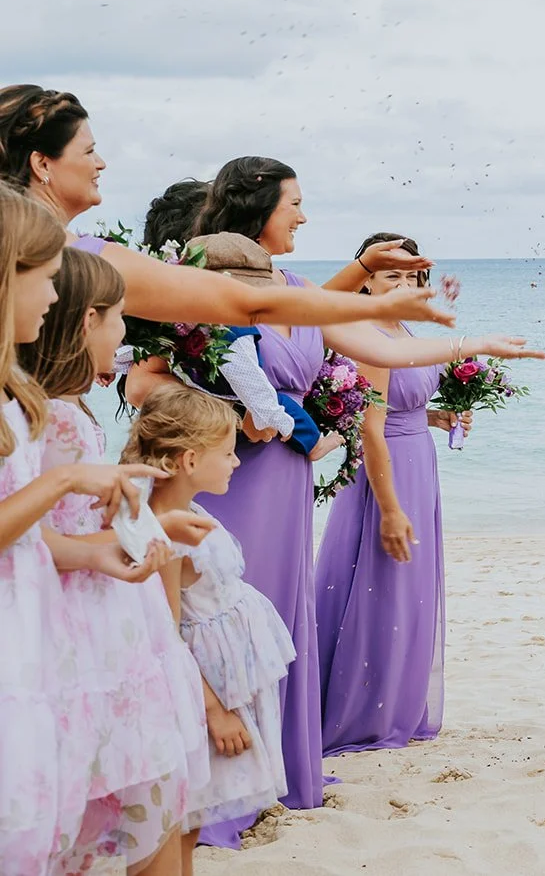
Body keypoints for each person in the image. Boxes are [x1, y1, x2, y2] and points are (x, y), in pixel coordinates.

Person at [126, 157, 544, 848]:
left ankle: (279, 770)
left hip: (285, 479)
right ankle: (216, 779)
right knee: (220, 615)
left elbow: (369, 338)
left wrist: (476, 343)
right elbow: (145, 385)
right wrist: (227, 411)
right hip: (232, 477)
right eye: (295, 203)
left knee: (279, 615)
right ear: (259, 209)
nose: (303, 215)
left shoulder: (292, 287)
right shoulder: (201, 286)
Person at [19, 247, 218, 875]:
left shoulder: (58, 408)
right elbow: (39, 530)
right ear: (86, 323)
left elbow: (65, 525)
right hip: (90, 620)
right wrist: (108, 550)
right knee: (137, 781)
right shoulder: (56, 419)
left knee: (141, 783)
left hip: (103, 599)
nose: (126, 332)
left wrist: (147, 525)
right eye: (119, 318)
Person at [0, 188, 172, 874]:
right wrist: (66, 482)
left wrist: (101, 547)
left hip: (33, 624)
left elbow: (32, 540)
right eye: (42, 276)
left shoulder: (19, 401)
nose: (51, 295)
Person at [0, 84, 448, 334]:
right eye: (89, 151)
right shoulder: (83, 258)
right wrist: (379, 308)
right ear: (42, 163)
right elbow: (248, 304)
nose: (101, 163)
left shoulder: (68, 250)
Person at [125, 385, 296, 876]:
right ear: (190, 459)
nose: (237, 463)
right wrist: (215, 711)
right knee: (178, 814)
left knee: (194, 815)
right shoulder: (163, 531)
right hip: (200, 691)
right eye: (228, 453)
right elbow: (164, 631)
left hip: (228, 678)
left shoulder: (192, 510)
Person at [315, 233, 468, 755]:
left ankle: (395, 703)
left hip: (418, 459)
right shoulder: (366, 334)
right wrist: (390, 509)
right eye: (390, 276)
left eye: (411, 275)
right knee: (379, 586)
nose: (404, 284)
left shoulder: (402, 327)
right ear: (366, 282)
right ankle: (362, 715)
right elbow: (369, 428)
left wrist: (440, 415)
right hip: (384, 472)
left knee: (410, 591)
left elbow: (399, 409)